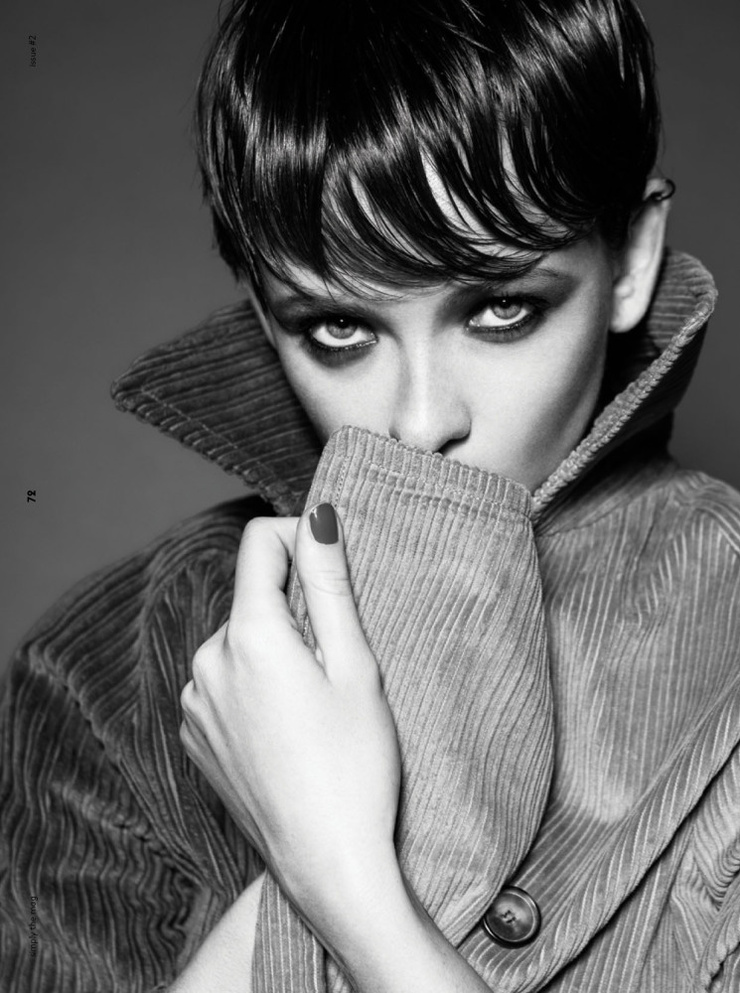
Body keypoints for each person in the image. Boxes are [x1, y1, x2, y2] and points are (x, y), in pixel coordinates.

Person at [1, 0, 739, 991]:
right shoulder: (117, 672)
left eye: (502, 308)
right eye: (338, 329)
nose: (421, 420)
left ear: (630, 261)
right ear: (264, 312)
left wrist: (340, 877)